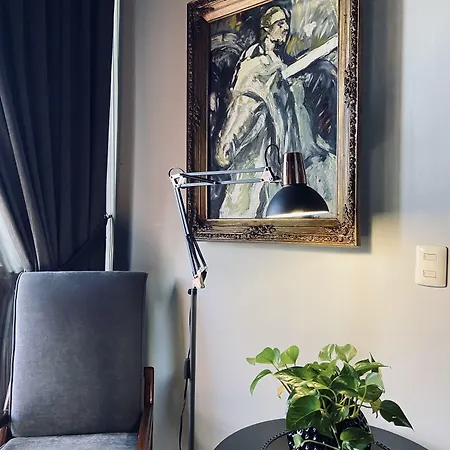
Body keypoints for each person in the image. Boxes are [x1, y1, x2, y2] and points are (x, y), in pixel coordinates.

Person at [214, 6, 337, 218]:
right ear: (267, 28)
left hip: (287, 149)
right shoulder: (255, 62)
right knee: (249, 202)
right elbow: (246, 104)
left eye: (286, 23)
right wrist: (228, 145)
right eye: (280, 23)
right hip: (262, 149)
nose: (285, 28)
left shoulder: (285, 62)